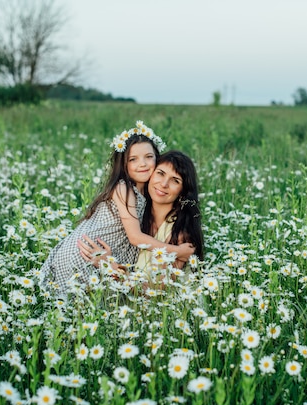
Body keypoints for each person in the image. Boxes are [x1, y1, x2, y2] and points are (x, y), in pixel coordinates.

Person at [39, 122, 195, 295]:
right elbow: (135, 237)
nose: (142, 164)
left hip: (101, 258)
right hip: (83, 254)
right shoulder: (124, 188)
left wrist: (112, 267)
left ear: (157, 159)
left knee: (83, 309)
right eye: (133, 159)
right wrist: (178, 251)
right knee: (73, 309)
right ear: (124, 165)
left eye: (148, 157)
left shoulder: (153, 205)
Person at [78, 150, 204, 284]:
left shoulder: (180, 235)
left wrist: (110, 267)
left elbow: (153, 293)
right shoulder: (136, 216)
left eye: (175, 180)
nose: (164, 184)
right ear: (150, 174)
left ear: (183, 192)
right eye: (160, 173)